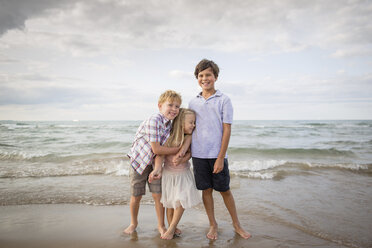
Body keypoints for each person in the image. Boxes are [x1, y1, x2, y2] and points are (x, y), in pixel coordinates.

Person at [188, 59, 251, 240]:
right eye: (201, 75)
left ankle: (237, 224)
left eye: (208, 75)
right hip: (199, 155)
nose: (204, 78)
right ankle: (212, 224)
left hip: (217, 155)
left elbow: (227, 129)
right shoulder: (193, 102)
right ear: (197, 78)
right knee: (206, 191)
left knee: (225, 190)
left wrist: (220, 157)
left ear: (215, 77)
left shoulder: (224, 100)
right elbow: (189, 129)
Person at [124, 90, 183, 236]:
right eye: (170, 105)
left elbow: (160, 152)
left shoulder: (169, 124)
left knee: (158, 195)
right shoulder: (154, 120)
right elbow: (156, 148)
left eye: (177, 106)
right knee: (136, 195)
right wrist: (179, 149)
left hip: (154, 161)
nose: (174, 109)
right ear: (160, 106)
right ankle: (133, 223)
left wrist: (157, 168)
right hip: (139, 161)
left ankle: (161, 226)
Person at [149, 108, 201, 240]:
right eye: (191, 122)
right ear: (180, 123)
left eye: (194, 122)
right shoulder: (168, 137)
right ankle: (173, 224)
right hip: (169, 174)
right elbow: (160, 154)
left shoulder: (189, 137)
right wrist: (157, 169)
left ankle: (171, 228)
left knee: (181, 201)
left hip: (183, 174)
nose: (194, 125)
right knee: (170, 203)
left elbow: (189, 153)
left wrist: (182, 159)